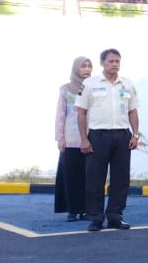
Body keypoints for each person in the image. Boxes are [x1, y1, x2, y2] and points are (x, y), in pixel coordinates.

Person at [77, 48, 140, 231]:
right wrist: (84, 139)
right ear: (102, 63)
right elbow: (81, 113)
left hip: (122, 135)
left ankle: (115, 216)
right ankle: (96, 217)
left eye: (117, 61)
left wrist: (135, 134)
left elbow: (133, 111)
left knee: (121, 179)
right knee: (95, 178)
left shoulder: (127, 84)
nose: (115, 64)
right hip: (98, 135)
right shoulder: (89, 84)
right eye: (111, 61)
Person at [53, 56, 92, 221]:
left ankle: (86, 209)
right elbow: (60, 115)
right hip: (70, 139)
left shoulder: (94, 88)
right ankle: (72, 210)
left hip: (91, 138)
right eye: (83, 66)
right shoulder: (65, 89)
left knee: (88, 176)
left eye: (89, 66)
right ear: (76, 68)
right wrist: (60, 138)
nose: (87, 69)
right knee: (70, 175)